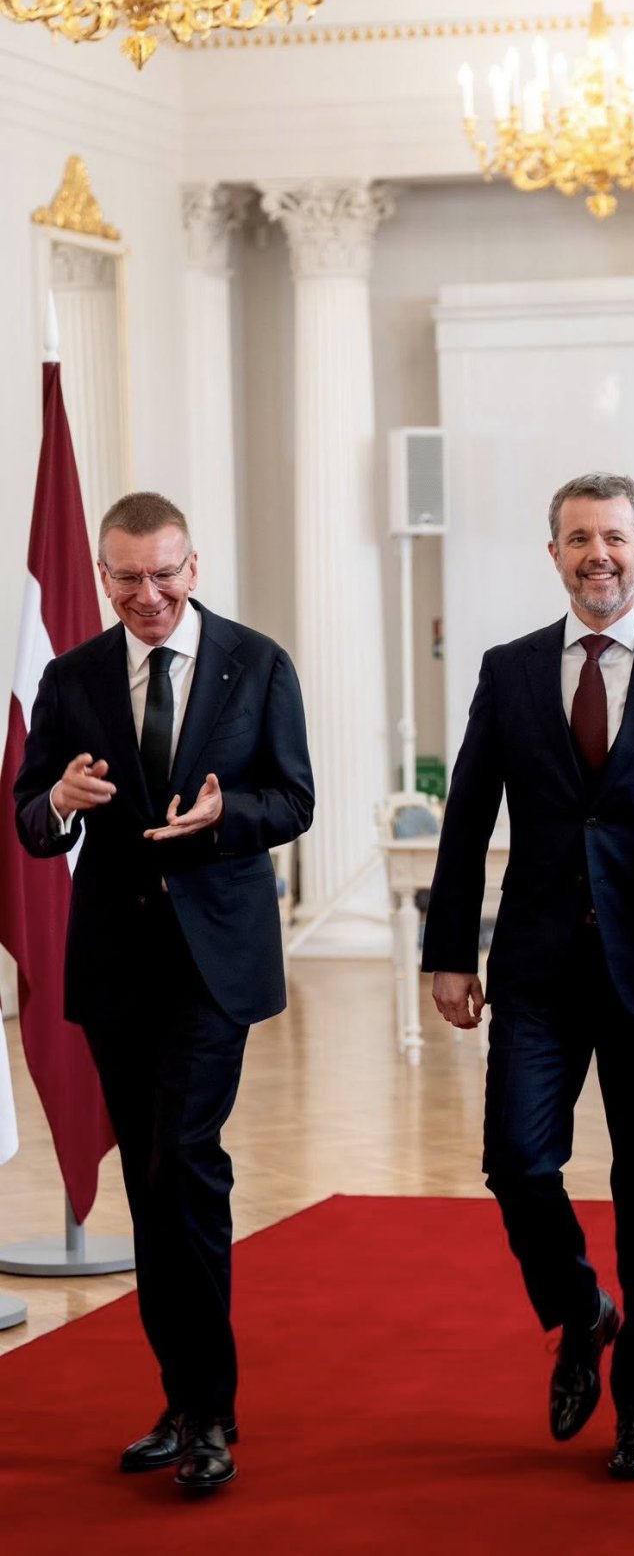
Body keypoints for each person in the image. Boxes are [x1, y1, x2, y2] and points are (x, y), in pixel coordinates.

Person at [422, 472, 634, 1481]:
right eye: (578, 538)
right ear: (555, 554)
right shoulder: (511, 669)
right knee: (517, 1161)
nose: (597, 555)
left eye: (614, 537)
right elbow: (469, 814)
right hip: (536, 964)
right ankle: (582, 1307)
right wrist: (448, 948)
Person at [14, 492, 314, 1492]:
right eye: (126, 576)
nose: (147, 593)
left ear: (196, 564)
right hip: (115, 962)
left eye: (165, 573)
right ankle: (182, 1400)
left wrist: (230, 816)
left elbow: (294, 796)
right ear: (103, 574)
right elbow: (28, 812)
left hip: (214, 960)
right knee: (152, 1181)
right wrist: (56, 802)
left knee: (182, 1158)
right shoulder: (73, 674)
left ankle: (213, 1413)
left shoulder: (258, 661)